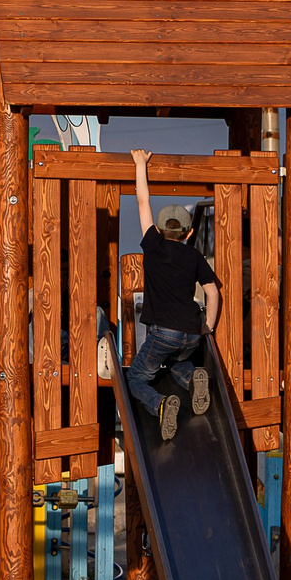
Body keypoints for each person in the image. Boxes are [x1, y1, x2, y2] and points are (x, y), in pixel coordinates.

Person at [126, 149, 220, 442]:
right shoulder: (194, 256)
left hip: (163, 331)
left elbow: (143, 201)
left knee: (137, 377)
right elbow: (212, 291)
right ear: (189, 233)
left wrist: (141, 165)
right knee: (178, 360)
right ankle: (193, 377)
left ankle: (160, 403)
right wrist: (209, 325)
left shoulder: (153, 245)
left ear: (157, 228)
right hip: (191, 334)